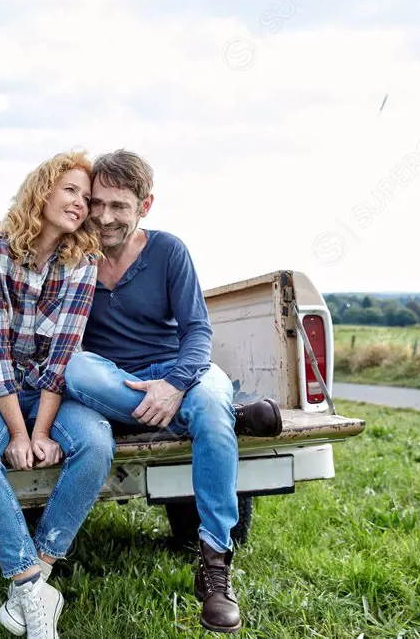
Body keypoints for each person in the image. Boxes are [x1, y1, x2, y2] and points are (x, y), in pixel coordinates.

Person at [63, 149, 282, 634]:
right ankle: (225, 417)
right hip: (112, 381)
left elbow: (197, 332)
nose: (105, 217)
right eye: (98, 204)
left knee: (207, 398)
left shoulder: (168, 251)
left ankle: (215, 569)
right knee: (75, 370)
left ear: (146, 204)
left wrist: (176, 383)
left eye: (119, 206)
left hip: (177, 369)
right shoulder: (73, 253)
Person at [0, 150, 115, 639]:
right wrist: (19, 435)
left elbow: (65, 351)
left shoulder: (83, 261)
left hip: (52, 389)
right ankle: (29, 585)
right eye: (70, 191)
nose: (81, 205)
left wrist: (42, 429)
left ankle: (37, 575)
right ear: (42, 191)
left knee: (97, 443)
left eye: (86, 198)